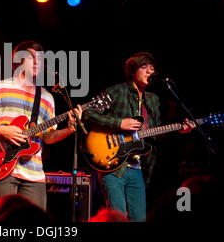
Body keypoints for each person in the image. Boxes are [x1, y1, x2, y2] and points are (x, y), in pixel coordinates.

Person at [0, 40, 82, 210]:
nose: (37, 62)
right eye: (31, 58)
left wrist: (69, 129)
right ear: (18, 62)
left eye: (41, 59)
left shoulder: (47, 98)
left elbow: (48, 137)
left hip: (34, 172)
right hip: (4, 165)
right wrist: (3, 130)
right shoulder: (0, 87)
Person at [82, 52, 195, 222]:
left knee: (139, 219)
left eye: (152, 68)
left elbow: (156, 135)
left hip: (138, 169)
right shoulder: (117, 91)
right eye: (144, 67)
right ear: (132, 72)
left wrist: (180, 130)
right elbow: (88, 114)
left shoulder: (153, 99)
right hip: (113, 165)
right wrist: (119, 123)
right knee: (117, 217)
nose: (150, 71)